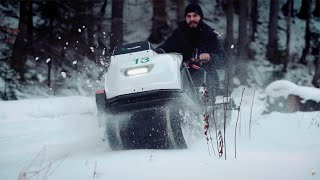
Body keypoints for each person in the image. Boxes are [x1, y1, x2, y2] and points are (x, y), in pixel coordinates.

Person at [157, 3, 227, 100]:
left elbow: (223, 60)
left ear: (200, 17)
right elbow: (163, 49)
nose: (192, 19)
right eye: (188, 16)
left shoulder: (210, 35)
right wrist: (155, 53)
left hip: (207, 80)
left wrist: (210, 57)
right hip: (184, 80)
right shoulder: (178, 34)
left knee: (207, 98)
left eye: (195, 16)